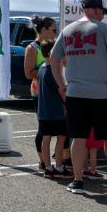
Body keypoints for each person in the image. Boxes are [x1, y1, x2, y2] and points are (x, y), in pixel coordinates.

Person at [49, 0, 107, 194]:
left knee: (78, 137)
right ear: (95, 10)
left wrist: (61, 85)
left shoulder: (68, 30)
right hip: (103, 94)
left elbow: (53, 58)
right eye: (102, 12)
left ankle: (77, 180)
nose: (102, 16)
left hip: (76, 94)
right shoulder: (104, 29)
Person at [24, 15, 58, 169]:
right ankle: (43, 161)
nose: (56, 33)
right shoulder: (32, 48)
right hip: (40, 92)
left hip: (55, 91)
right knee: (43, 129)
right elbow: (28, 73)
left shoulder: (54, 45)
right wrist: (47, 70)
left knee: (59, 127)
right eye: (54, 29)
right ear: (43, 30)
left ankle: (61, 160)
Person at [35, 39, 69, 179]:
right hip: (57, 111)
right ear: (51, 53)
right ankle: (59, 167)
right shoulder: (53, 70)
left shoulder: (42, 68)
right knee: (61, 138)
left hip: (43, 111)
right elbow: (61, 90)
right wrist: (67, 104)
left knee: (46, 138)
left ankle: (48, 167)